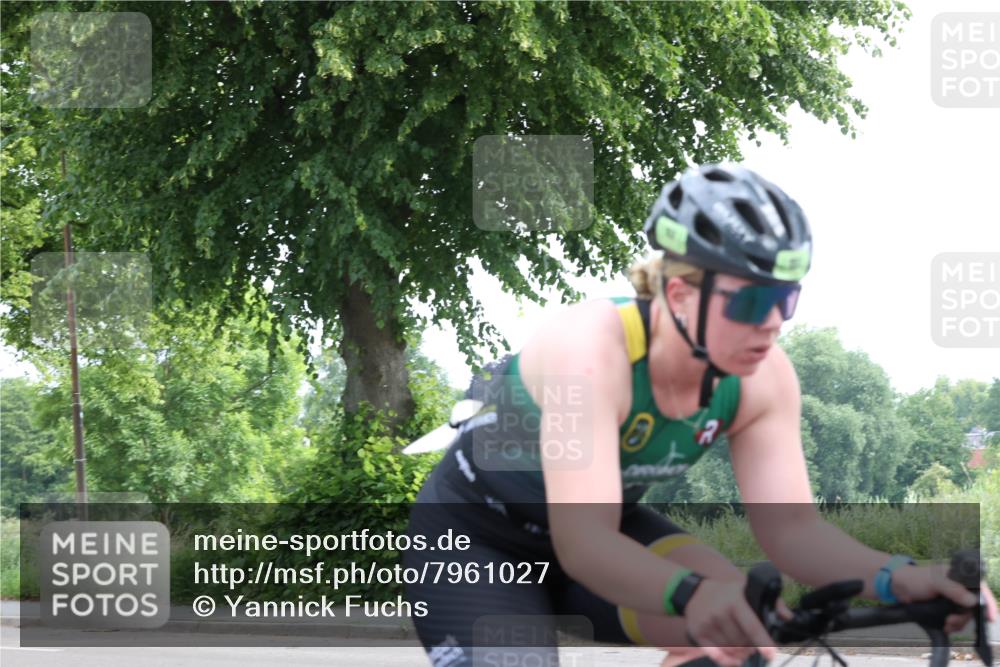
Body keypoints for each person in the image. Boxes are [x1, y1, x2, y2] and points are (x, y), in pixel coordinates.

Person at [403, 164, 997, 667]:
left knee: (746, 621)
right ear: (680, 294)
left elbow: (793, 532)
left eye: (786, 299)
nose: (773, 323)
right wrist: (689, 594)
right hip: (475, 539)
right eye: (752, 301)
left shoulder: (764, 378)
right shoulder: (588, 350)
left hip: (607, 535)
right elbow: (582, 542)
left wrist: (903, 577)